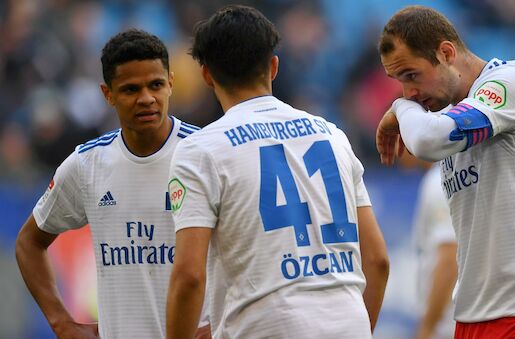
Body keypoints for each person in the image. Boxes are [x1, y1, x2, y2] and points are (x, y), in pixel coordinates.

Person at [166, 5, 389, 339]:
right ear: (273, 67)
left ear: (207, 76)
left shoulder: (200, 150)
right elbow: (378, 261)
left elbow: (189, 277)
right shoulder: (332, 135)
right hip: (349, 324)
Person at [375, 5, 515, 339]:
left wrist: (399, 110)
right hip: (473, 316)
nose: (408, 94)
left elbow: (428, 140)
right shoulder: (449, 111)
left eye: (411, 76)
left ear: (446, 53)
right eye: (399, 83)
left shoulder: (511, 81)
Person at [15, 29, 209, 339]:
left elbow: (255, 244)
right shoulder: (86, 165)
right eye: (131, 89)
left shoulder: (206, 152)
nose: (147, 98)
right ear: (108, 94)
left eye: (156, 85)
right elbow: (29, 243)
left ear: (171, 83)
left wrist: (220, 322)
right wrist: (61, 322)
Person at [412, 163, 457, 339]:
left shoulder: (439, 179)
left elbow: (449, 260)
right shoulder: (441, 175)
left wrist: (428, 326)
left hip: (447, 325)